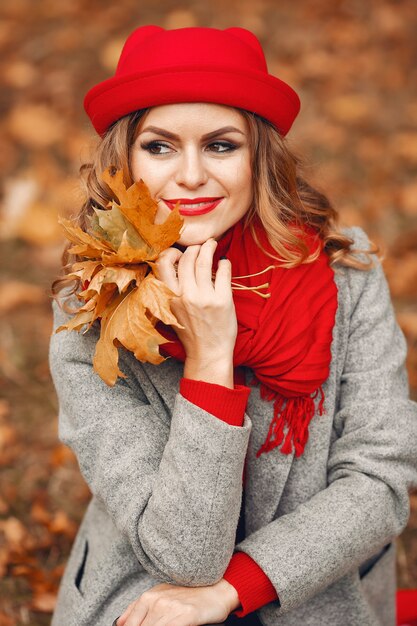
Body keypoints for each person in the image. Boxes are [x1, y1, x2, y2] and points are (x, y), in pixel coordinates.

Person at [49, 25, 417, 626]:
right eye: (160, 146)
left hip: (313, 588)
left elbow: (379, 478)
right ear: (124, 161)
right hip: (149, 586)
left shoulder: (344, 274)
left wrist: (236, 588)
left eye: (221, 145)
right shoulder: (90, 308)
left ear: (259, 158)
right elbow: (184, 558)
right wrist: (210, 361)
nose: (190, 176)